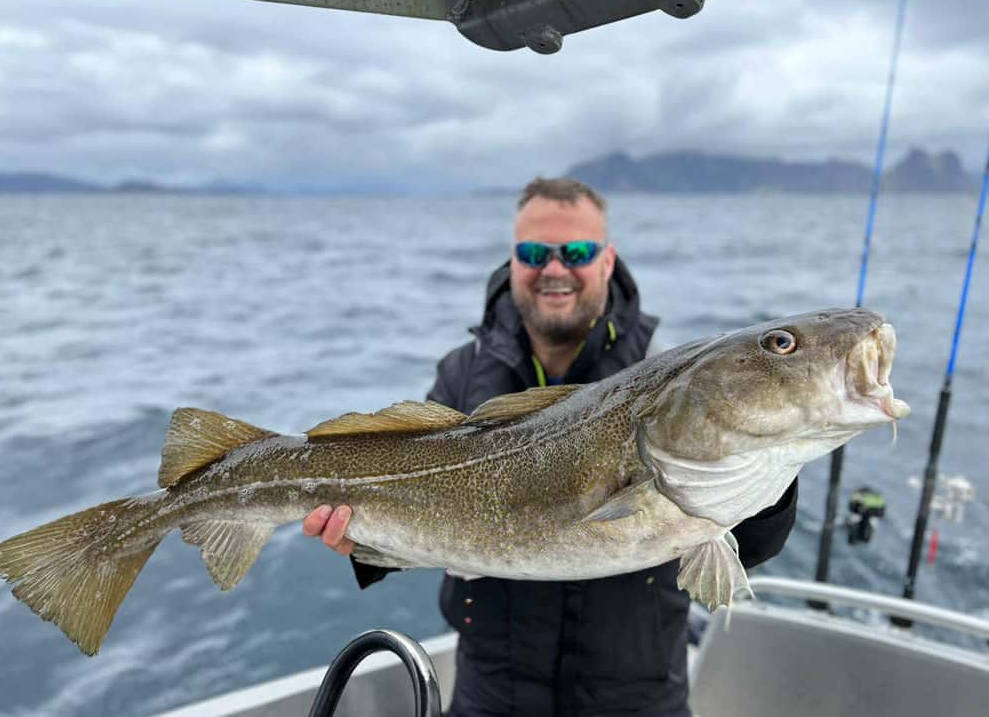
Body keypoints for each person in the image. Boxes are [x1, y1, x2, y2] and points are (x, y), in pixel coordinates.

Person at [303, 177, 798, 716]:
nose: (555, 269)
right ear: (514, 261)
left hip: (636, 696)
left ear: (607, 262)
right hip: (491, 694)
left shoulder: (669, 374)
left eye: (577, 252)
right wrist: (367, 542)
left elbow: (751, 544)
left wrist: (762, 464)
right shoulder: (463, 375)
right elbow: (417, 501)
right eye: (535, 252)